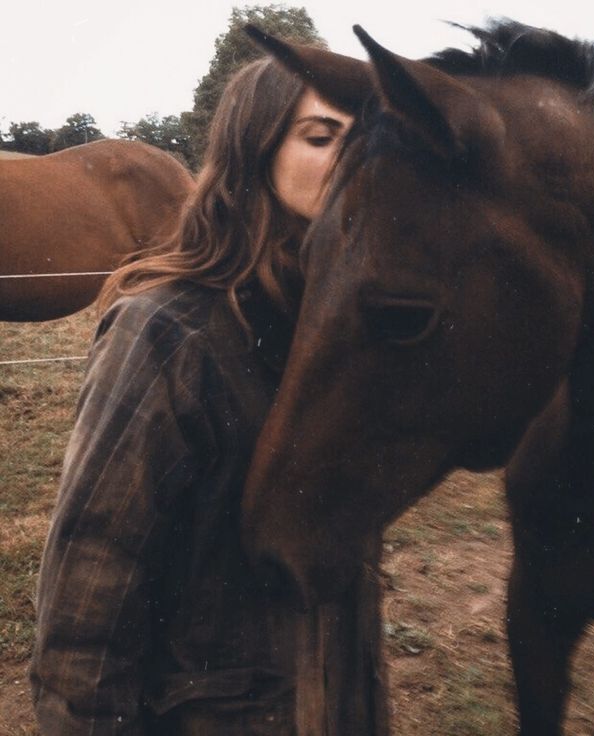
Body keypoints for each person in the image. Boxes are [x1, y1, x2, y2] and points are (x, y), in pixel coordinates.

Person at [30, 56, 387, 735]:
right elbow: (89, 595)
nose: (351, 158)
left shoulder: (343, 335)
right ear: (255, 149)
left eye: (366, 138)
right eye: (319, 136)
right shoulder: (165, 331)